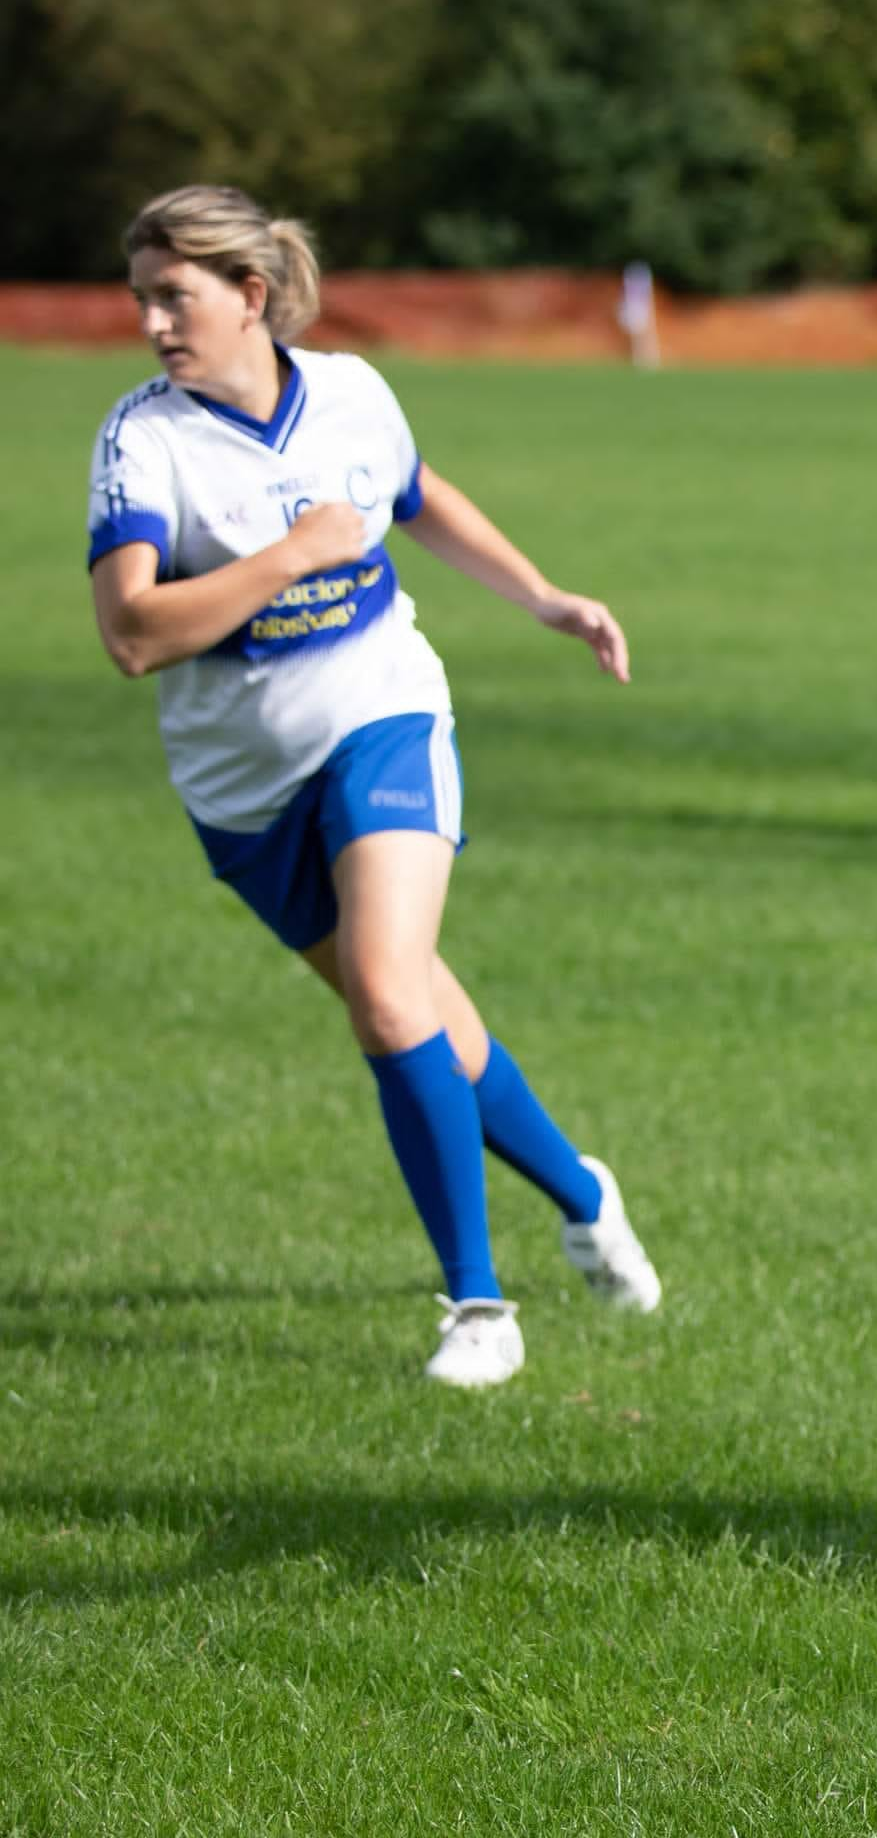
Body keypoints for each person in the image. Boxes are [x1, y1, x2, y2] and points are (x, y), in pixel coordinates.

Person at [86, 185, 663, 1389]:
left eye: (173, 295)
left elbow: (416, 495)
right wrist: (287, 556)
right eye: (142, 297)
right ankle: (582, 1190)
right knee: (426, 1015)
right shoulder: (143, 439)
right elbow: (134, 632)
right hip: (241, 791)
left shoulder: (351, 390)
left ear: (251, 295)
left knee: (390, 998)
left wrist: (544, 595)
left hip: (381, 714)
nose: (152, 322)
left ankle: (479, 1306)